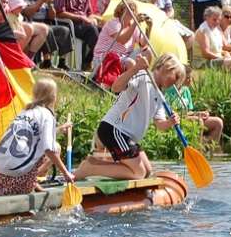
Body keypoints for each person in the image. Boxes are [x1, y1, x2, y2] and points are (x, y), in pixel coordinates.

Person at [76, 53, 185, 182]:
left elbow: (160, 124)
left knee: (147, 171)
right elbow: (116, 87)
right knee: (139, 172)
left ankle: (99, 163)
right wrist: (135, 68)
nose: (176, 83)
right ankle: (90, 168)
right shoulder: (143, 76)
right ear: (166, 67)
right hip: (115, 129)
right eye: (176, 77)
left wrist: (170, 122)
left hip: (126, 136)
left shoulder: (160, 95)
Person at [0, 76, 72, 196]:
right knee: (56, 147)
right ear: (53, 97)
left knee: (40, 147)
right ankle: (30, 183)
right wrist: (66, 173)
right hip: (17, 176)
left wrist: (58, 130)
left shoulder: (26, 111)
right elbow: (48, 148)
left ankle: (32, 181)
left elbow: (33, 135)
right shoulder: (47, 115)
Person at [51, 0, 101, 69]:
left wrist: (92, 18)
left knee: (104, 31)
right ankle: (91, 64)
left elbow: (88, 12)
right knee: (92, 30)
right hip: (68, 22)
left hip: (83, 23)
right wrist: (80, 17)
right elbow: (59, 12)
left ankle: (89, 60)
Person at [164, 67, 224, 146]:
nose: (190, 80)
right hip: (177, 119)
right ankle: (197, 147)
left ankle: (209, 147)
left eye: (191, 77)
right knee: (199, 121)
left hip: (187, 117)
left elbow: (188, 111)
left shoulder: (186, 90)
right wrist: (196, 115)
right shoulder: (169, 91)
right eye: (188, 78)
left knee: (218, 122)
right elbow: (169, 114)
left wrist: (199, 113)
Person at [193, 6, 231, 71]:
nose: (217, 22)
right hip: (203, 62)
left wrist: (225, 53)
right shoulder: (203, 31)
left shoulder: (215, 29)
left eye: (218, 20)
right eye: (214, 20)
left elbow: (220, 48)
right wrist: (222, 58)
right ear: (207, 18)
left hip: (218, 57)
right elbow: (206, 54)